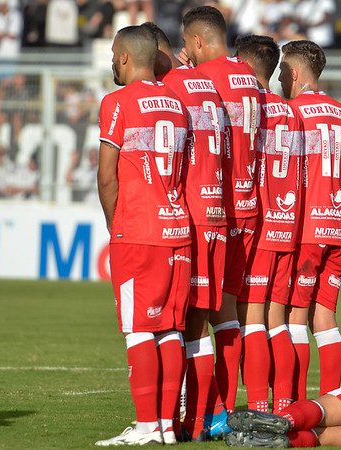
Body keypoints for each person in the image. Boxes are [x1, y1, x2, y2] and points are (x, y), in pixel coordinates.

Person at [94, 25, 191, 447]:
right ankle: (168, 425)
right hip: (178, 227)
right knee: (170, 328)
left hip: (139, 230)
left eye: (115, 54)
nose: (112, 61)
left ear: (126, 58)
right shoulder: (177, 103)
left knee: (137, 329)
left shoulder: (117, 102)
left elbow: (106, 177)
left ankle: (148, 425)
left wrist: (116, 225)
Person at [143, 21, 231, 441]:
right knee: (200, 319)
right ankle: (201, 417)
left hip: (188, 214)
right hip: (217, 211)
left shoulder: (170, 87)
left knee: (178, 323)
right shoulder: (207, 86)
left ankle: (185, 420)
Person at [180, 5, 261, 421]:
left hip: (216, 206)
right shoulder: (250, 76)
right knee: (227, 311)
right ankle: (224, 409)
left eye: (186, 45)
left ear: (196, 41)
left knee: (195, 311)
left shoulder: (202, 79)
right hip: (250, 206)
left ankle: (197, 412)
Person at [235, 34, 305, 415]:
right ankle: (283, 404)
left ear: (244, 65)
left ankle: (260, 406)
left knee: (252, 316)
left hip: (258, 223)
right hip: (288, 223)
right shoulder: (291, 112)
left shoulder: (250, 107)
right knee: (277, 317)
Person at [281, 40, 341, 398]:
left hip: (305, 226)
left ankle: (294, 404)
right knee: (324, 318)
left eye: (281, 71)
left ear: (294, 74)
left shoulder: (292, 112)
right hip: (336, 227)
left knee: (295, 317)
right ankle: (330, 404)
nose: (279, 78)